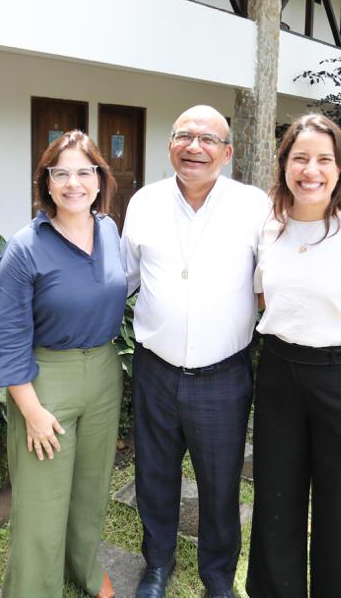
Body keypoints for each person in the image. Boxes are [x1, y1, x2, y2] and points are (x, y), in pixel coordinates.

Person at [246, 113, 341, 598]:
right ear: (284, 165)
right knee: (276, 503)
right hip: (278, 376)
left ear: (340, 170)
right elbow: (263, 300)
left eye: (322, 160)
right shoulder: (269, 230)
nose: (310, 170)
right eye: (300, 158)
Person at [121, 105, 270, 598]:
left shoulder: (254, 207)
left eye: (208, 139)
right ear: (170, 145)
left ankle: (218, 578)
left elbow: (272, 281)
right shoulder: (144, 202)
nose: (194, 147)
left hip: (223, 376)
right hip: (155, 370)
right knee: (154, 475)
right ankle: (157, 565)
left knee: (220, 484)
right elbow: (123, 279)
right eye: (184, 135)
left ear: (227, 153)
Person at [0, 131, 126, 598]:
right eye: (60, 173)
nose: (73, 183)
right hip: (46, 383)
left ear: (101, 179)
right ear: (45, 181)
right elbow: (6, 338)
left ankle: (82, 568)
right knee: (42, 503)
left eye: (84, 172)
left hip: (104, 374)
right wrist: (32, 409)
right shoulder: (25, 247)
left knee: (91, 489)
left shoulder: (108, 230)